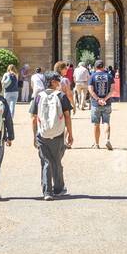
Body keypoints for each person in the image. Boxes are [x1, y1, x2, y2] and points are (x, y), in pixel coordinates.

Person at [29, 69, 73, 198]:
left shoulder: (38, 97)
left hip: (42, 133)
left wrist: (34, 136)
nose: (60, 83)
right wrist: (70, 134)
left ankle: (47, 191)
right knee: (57, 161)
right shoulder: (61, 96)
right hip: (58, 133)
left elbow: (33, 118)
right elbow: (67, 116)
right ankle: (59, 189)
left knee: (46, 161)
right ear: (53, 82)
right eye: (58, 80)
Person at [88, 59, 114, 149]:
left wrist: (98, 99)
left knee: (96, 124)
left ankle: (96, 144)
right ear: (103, 66)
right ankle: (107, 140)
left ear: (95, 67)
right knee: (107, 122)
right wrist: (105, 99)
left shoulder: (92, 76)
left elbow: (90, 90)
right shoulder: (109, 76)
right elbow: (112, 90)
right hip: (107, 103)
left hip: (96, 104)